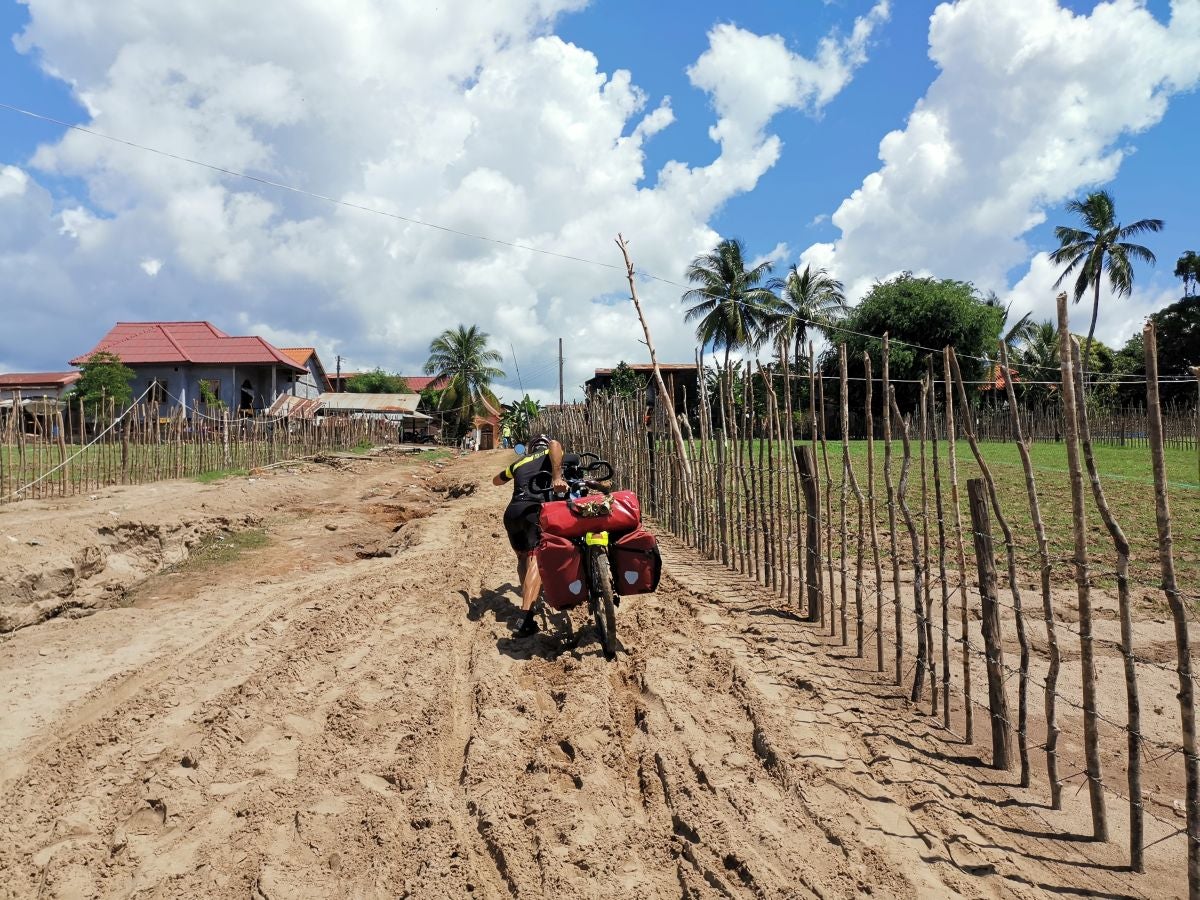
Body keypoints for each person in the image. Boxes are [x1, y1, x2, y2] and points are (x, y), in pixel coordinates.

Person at [492, 434, 567, 638]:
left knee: (523, 558)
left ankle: (528, 597)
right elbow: (555, 444)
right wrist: (557, 476)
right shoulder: (550, 453)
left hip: (512, 514)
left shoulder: (520, 462)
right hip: (533, 511)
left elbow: (496, 481)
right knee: (536, 558)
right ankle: (524, 619)